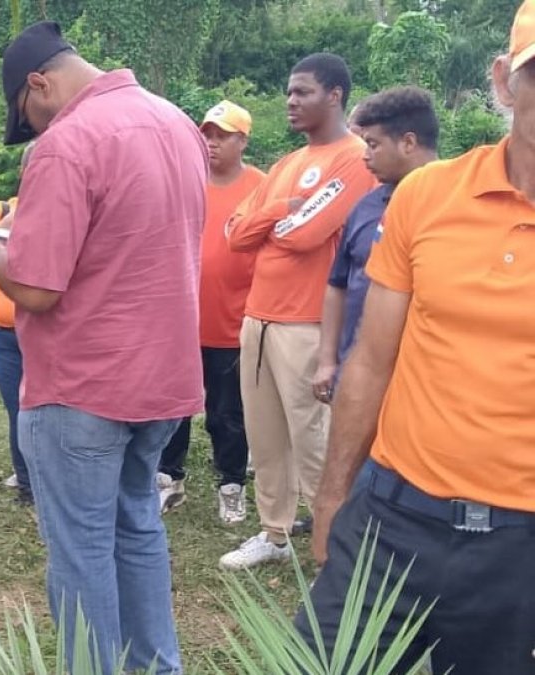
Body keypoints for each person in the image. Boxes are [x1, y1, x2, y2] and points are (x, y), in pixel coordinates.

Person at [0, 21, 207, 674]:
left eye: (27, 116)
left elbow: (35, 289)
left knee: (83, 547)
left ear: (39, 83)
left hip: (84, 386)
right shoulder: (176, 123)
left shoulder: (68, 143)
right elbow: (112, 252)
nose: (34, 130)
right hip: (162, 378)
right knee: (138, 526)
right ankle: (156, 665)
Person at [304, 4, 535, 670]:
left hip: (521, 551)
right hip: (391, 519)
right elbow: (372, 361)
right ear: (503, 81)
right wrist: (332, 499)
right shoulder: (428, 196)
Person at [220, 53, 375, 571]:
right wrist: (275, 213)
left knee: (315, 440)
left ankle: (336, 544)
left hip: (306, 325)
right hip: (258, 319)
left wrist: (275, 223)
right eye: (288, 92)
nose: (290, 101)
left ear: (334, 95)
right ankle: (274, 533)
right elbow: (237, 235)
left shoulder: (352, 159)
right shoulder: (286, 164)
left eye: (302, 92)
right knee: (264, 436)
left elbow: (304, 234)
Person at [156, 100, 265, 524]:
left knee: (228, 413)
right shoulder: (186, 181)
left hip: (234, 322)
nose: (212, 143)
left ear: (243, 140)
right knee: (174, 407)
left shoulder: (261, 186)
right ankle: (169, 478)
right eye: (207, 134)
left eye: (223, 135)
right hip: (181, 320)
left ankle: (232, 484)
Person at [312, 87, 438, 403]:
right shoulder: (365, 207)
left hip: (422, 387)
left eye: (373, 145)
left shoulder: (457, 207)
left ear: (408, 142)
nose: (365, 155)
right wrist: (328, 360)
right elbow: (337, 284)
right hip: (357, 378)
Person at [0, 141, 36, 506]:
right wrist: (24, 207)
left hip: (46, 333)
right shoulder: (2, 209)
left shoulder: (67, 211)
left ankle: (47, 480)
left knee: (44, 412)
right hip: (2, 333)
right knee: (16, 409)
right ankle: (27, 484)